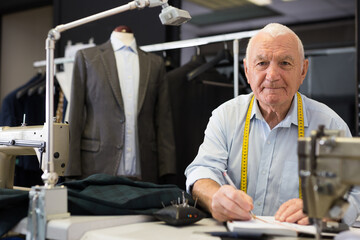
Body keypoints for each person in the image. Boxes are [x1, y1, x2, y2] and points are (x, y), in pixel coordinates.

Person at [185, 23, 360, 225]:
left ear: (303, 71)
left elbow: (353, 191)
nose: (272, 75)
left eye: (285, 63)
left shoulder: (330, 125)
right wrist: (215, 196)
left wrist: (324, 208)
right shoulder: (225, 116)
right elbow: (202, 171)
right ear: (247, 70)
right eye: (262, 64)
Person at [66, 25, 176, 184]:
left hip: (145, 171)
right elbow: (75, 116)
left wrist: (168, 170)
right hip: (96, 167)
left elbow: (163, 121)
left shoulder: (155, 63)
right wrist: (71, 169)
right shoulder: (87, 58)